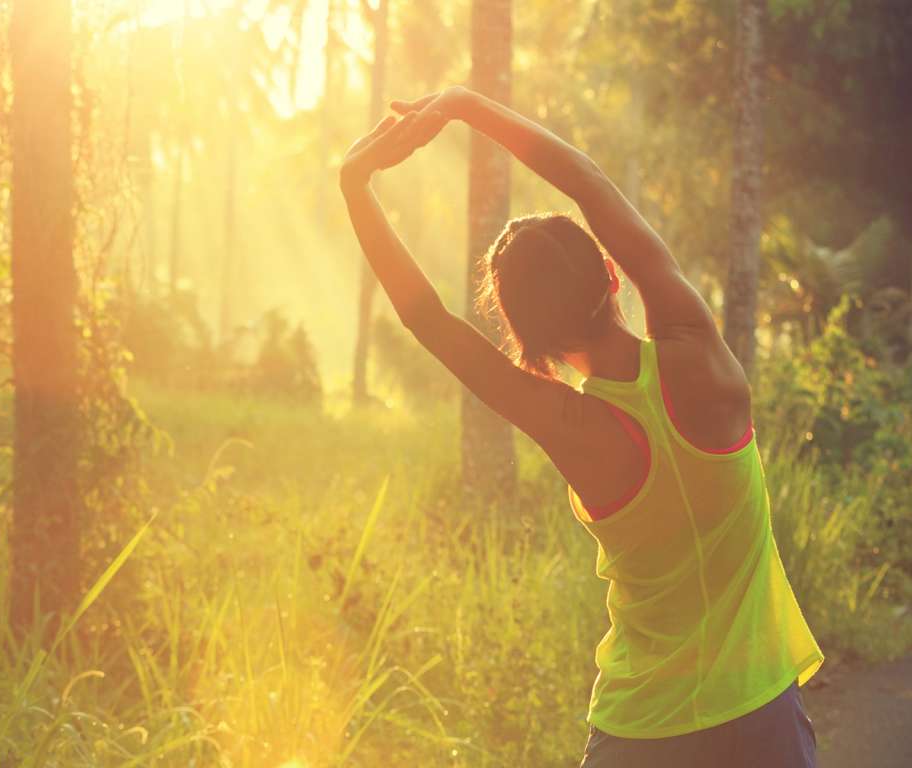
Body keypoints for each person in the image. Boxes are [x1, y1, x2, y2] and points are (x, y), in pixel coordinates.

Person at [338, 86, 825, 767]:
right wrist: (464, 105)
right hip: (760, 719)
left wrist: (354, 185)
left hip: (642, 733)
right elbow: (589, 184)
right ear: (611, 273)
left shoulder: (570, 426)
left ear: (528, 340)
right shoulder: (701, 362)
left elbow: (428, 320)